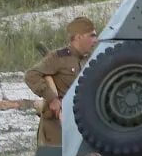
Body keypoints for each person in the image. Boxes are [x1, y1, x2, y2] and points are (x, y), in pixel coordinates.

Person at [25, 18, 98, 146]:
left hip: (81, 126)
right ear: (78, 37)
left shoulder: (91, 61)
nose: (95, 40)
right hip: (57, 128)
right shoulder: (58, 58)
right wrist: (52, 98)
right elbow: (31, 75)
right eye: (91, 36)